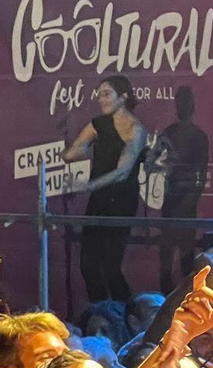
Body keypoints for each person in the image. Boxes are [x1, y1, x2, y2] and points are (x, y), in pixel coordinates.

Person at [60, 76, 149, 302]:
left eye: (107, 94)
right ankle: (100, 314)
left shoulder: (136, 130)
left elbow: (122, 172)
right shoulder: (98, 124)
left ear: (124, 96)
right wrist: (76, 148)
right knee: (88, 265)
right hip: (99, 200)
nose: (101, 99)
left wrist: (87, 185)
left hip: (121, 201)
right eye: (99, 94)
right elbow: (74, 152)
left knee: (110, 266)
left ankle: (123, 316)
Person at [151, 87, 211, 291]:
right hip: (177, 197)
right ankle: (172, 300)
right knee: (168, 255)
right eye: (181, 102)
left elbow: (201, 174)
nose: (183, 107)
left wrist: (167, 165)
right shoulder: (175, 133)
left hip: (183, 197)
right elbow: (152, 161)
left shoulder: (193, 136)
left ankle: (184, 299)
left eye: (186, 102)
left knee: (182, 254)